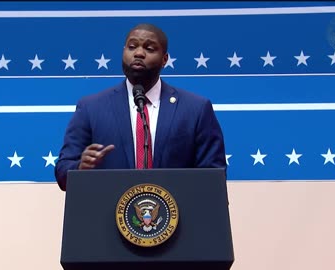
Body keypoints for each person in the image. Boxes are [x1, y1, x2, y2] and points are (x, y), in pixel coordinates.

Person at [54, 23, 226, 191]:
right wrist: (80, 169)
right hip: (107, 216)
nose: (138, 53)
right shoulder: (91, 108)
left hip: (177, 217)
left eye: (149, 48)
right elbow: (62, 172)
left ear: (164, 59)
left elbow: (214, 177)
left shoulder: (195, 109)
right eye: (132, 46)